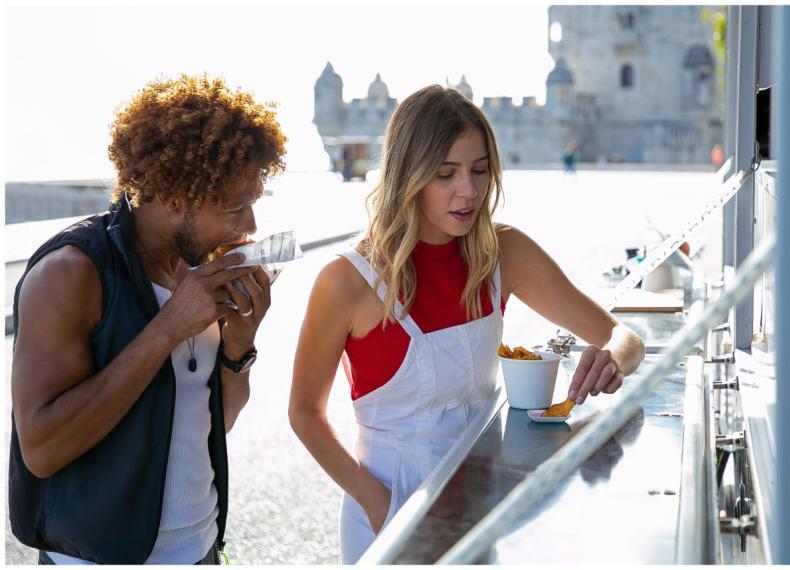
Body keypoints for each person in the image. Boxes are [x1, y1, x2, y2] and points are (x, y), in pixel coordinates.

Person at [288, 85, 645, 563]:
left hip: (480, 498)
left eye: (480, 171)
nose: (470, 191)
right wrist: (377, 503)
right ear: (406, 176)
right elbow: (305, 413)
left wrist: (611, 361)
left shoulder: (505, 252)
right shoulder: (346, 281)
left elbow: (625, 337)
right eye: (445, 174)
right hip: (387, 508)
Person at [9, 74, 286, 564]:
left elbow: (214, 422)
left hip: (201, 552)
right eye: (234, 208)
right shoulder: (71, 273)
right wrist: (166, 330)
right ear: (175, 196)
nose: (250, 227)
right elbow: (43, 450)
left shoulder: (202, 264)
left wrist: (240, 346)